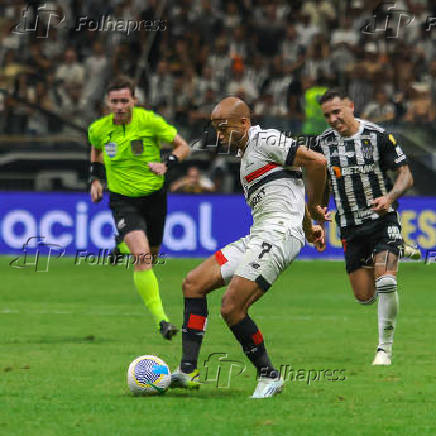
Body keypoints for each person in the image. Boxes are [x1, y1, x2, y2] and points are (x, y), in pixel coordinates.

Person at [170, 96, 327, 398]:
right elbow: (290, 191)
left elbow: (317, 161)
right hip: (261, 234)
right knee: (193, 283)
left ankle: (269, 376)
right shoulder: (246, 157)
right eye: (215, 129)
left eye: (224, 128)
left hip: (278, 234)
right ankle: (187, 371)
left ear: (244, 122)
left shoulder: (265, 139)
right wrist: (310, 229)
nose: (219, 136)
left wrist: (318, 205)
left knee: (232, 307)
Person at [313, 89, 414, 365]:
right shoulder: (321, 145)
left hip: (383, 220)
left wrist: (390, 197)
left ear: (351, 106)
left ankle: (384, 350)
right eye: (327, 115)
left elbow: (406, 175)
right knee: (364, 297)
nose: (333, 119)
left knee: (387, 282)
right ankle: (396, 250)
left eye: (337, 112)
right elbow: (321, 186)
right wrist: (318, 221)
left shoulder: (378, 136)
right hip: (349, 227)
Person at [88, 76, 190, 340]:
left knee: (151, 257)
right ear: (107, 103)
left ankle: (121, 245)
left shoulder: (149, 121)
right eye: (114, 101)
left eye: (124, 100)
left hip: (154, 197)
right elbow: (97, 150)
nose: (120, 106)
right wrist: (96, 179)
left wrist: (167, 163)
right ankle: (162, 321)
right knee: (143, 259)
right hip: (122, 201)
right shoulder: (99, 128)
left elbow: (183, 146)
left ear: (134, 100)